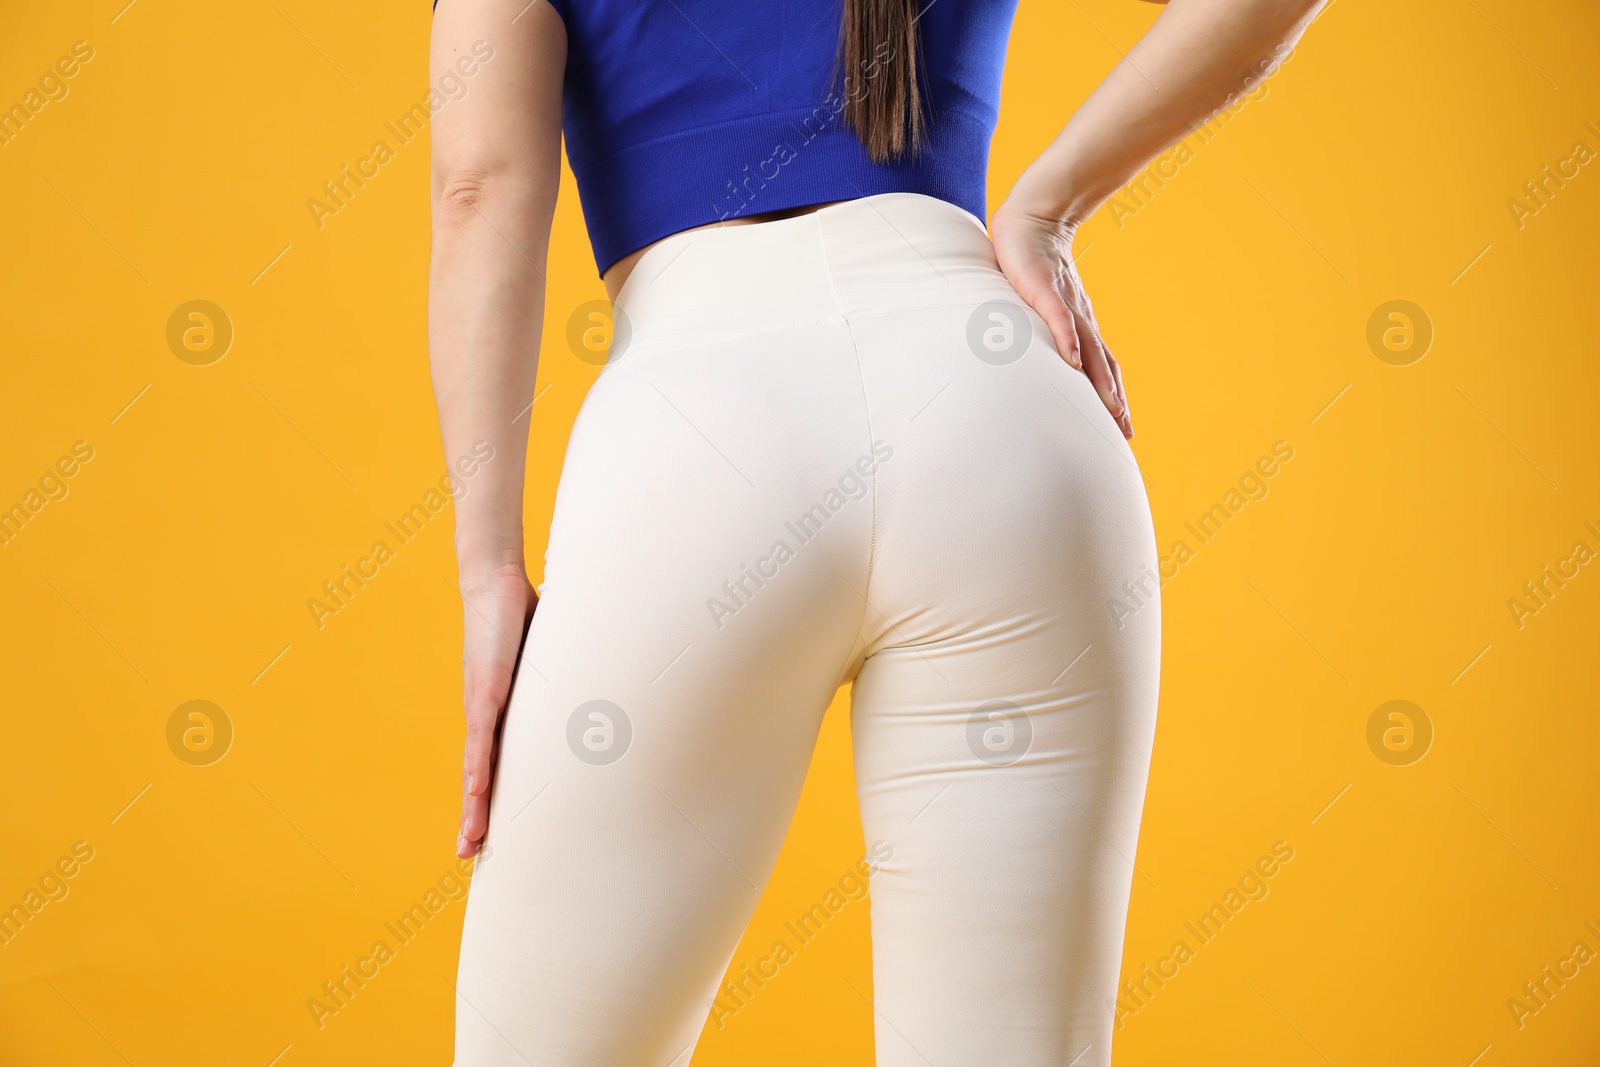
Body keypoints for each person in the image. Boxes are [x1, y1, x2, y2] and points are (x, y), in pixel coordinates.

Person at [427, 0, 1321, 1062]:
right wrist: (1046, 207)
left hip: (694, 442)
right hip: (997, 404)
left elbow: (481, 189)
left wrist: (489, 570)